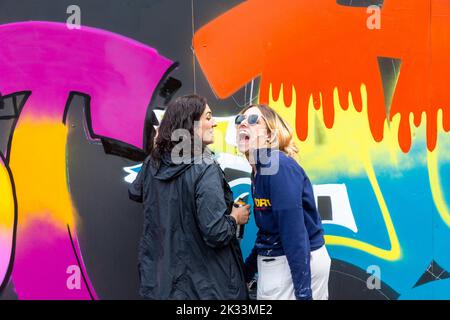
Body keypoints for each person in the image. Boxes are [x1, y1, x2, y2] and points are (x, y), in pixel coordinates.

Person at [129, 94, 250, 300]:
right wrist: (235, 218)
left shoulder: (153, 162)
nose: (215, 123)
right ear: (191, 124)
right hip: (205, 288)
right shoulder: (204, 167)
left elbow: (135, 192)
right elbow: (216, 232)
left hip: (161, 283)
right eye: (209, 117)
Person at [236, 104, 331, 300]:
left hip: (298, 264)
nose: (243, 123)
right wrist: (248, 269)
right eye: (239, 120)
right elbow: (270, 230)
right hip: (280, 262)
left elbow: (294, 233)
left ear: (270, 136)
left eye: (254, 120)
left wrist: (304, 294)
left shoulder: (277, 167)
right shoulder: (259, 170)